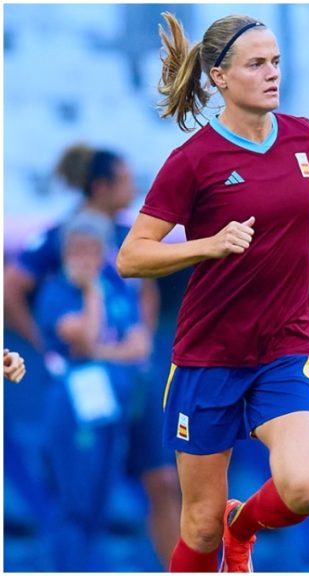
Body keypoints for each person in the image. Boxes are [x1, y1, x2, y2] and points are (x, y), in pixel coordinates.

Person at [117, 12, 309, 572]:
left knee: (305, 488)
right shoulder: (193, 161)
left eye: (275, 62)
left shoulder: (302, 134)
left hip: (286, 346)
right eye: (256, 64)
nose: (272, 74)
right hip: (209, 357)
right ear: (220, 78)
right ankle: (219, 527)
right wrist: (207, 245)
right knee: (197, 525)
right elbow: (131, 255)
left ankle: (241, 525)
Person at [3, 143, 179, 567]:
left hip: (132, 380)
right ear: (100, 186)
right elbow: (12, 289)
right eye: (124, 181)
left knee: (163, 482)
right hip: (84, 385)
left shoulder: (126, 235)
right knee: (83, 497)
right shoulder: (62, 238)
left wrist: (140, 338)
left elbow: (147, 286)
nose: (135, 189)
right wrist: (50, 349)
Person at [34, 211, 155, 570]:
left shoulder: (118, 287)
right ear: (66, 251)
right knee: (76, 502)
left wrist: (100, 352)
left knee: (103, 499)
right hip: (74, 411)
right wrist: (89, 292)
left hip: (113, 409)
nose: (86, 257)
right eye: (78, 249)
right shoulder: (57, 292)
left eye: (94, 249)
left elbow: (140, 346)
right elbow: (84, 338)